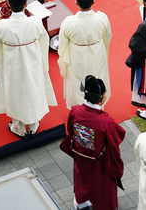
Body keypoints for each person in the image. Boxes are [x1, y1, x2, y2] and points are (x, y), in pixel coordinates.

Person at [0, 0, 57, 138]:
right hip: (32, 62)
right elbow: (43, 41)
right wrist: (42, 63)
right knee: (32, 88)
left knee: (14, 91)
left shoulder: (1, 26)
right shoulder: (35, 22)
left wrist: (0, 66)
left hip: (11, 64)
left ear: (8, 4)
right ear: (26, 4)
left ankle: (18, 126)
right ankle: (33, 124)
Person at [60, 75, 125, 210]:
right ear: (100, 98)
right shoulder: (105, 122)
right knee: (101, 190)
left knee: (83, 183)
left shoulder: (75, 111)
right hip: (99, 164)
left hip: (81, 159)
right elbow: (116, 139)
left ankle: (80, 202)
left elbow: (71, 130)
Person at [58, 0, 112, 109]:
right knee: (98, 78)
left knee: (78, 83)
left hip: (77, 56)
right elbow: (107, 37)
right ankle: (98, 106)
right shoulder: (102, 18)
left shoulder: (69, 22)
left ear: (76, 2)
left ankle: (79, 110)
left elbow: (62, 45)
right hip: (97, 52)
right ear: (93, 1)